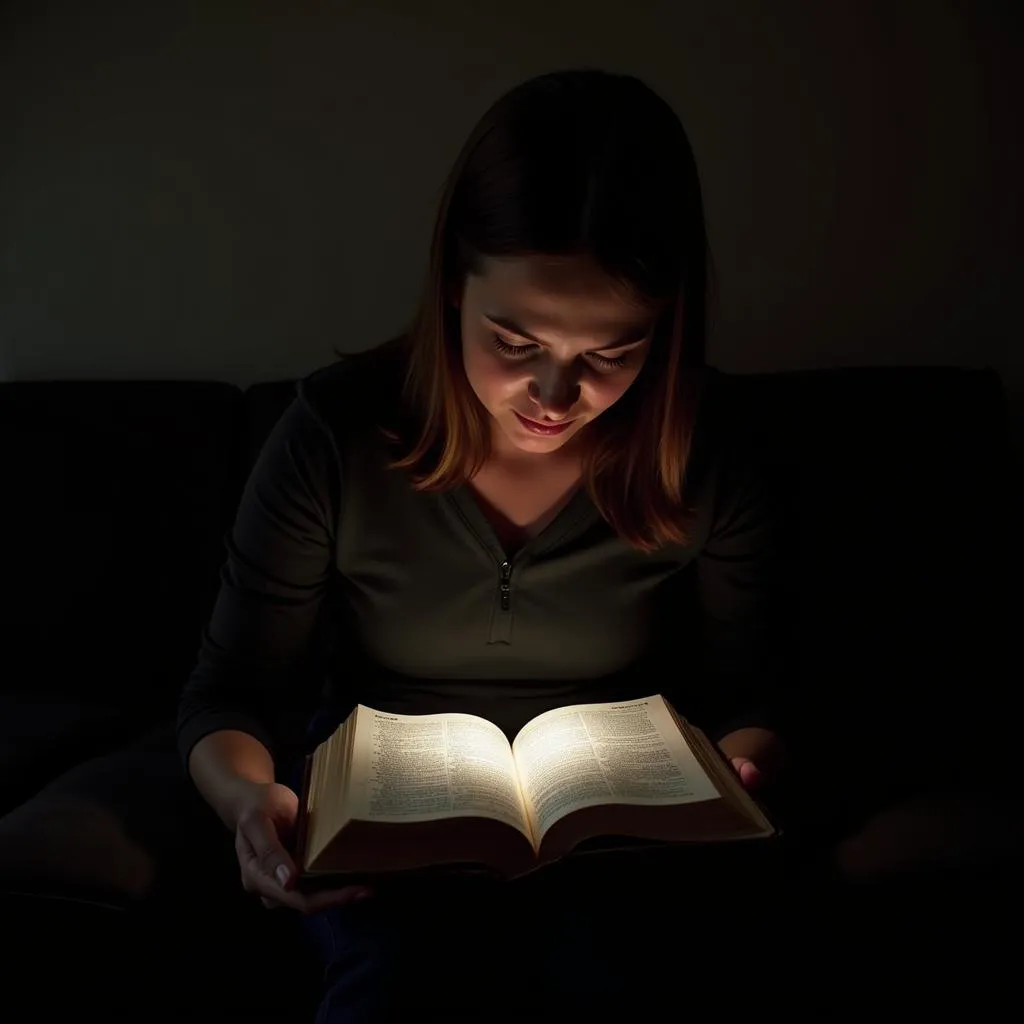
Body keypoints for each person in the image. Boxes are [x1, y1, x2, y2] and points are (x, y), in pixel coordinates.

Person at [177, 68, 793, 1020]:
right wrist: (247, 808)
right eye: (515, 340)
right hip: (390, 848)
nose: (554, 398)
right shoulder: (338, 435)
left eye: (609, 356)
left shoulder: (708, 447)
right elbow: (231, 692)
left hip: (619, 851)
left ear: (663, 334)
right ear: (454, 287)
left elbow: (757, 692)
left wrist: (735, 777)